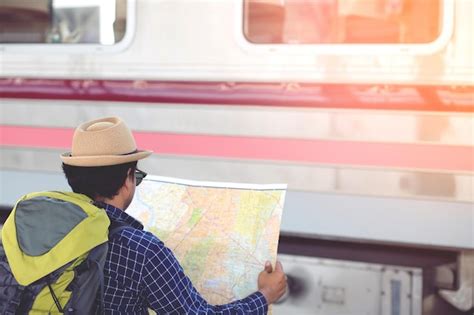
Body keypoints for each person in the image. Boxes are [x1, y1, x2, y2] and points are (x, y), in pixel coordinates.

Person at [60, 116, 287, 314]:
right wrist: (265, 295)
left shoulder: (47, 231)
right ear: (128, 179)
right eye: (136, 177)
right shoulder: (141, 250)